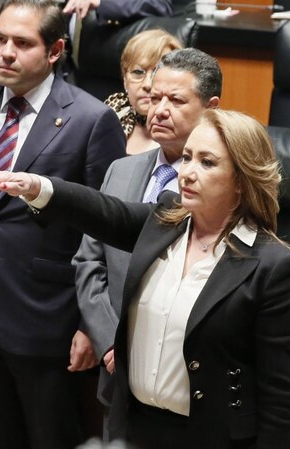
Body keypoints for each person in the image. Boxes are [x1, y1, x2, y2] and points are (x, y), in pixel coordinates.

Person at [0, 108, 290, 449]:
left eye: (207, 162)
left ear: (241, 180)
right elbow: (104, 212)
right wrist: (36, 186)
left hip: (210, 438)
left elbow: (279, 400)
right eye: (187, 157)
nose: (187, 172)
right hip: (135, 430)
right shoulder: (163, 222)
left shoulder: (273, 267)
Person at [0, 0, 126, 447]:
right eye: (0, 40)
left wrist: (92, 324)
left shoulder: (92, 120)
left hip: (49, 321)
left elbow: (105, 231)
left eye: (22, 43)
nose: (6, 53)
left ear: (54, 51)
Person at [73, 47, 221, 415]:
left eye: (175, 99)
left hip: (186, 377)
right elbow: (89, 262)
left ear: (212, 108)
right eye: (155, 97)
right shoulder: (120, 171)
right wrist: (111, 341)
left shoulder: (225, 184)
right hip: (117, 373)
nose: (159, 109)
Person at [104, 29, 181, 155]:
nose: (148, 85)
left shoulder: (185, 133)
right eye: (138, 72)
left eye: (158, 73)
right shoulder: (110, 114)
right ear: (125, 79)